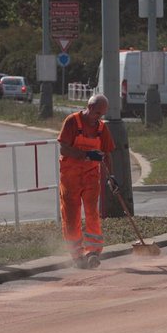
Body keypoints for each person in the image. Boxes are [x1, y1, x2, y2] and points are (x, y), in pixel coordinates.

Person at [57, 93, 116, 269]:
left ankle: (93, 252)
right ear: (89, 107)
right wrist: (86, 155)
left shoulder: (101, 128)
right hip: (71, 178)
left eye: (102, 114)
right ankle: (76, 255)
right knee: (71, 215)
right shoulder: (72, 122)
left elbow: (107, 155)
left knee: (92, 213)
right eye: (97, 113)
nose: (99, 118)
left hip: (91, 177)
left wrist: (111, 177)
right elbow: (64, 148)